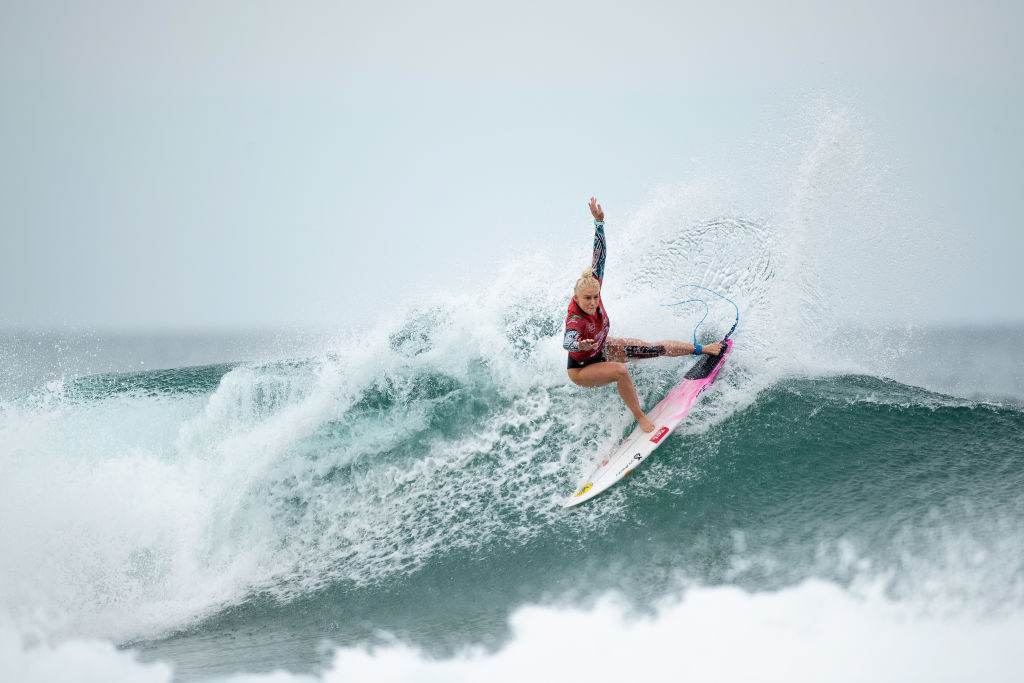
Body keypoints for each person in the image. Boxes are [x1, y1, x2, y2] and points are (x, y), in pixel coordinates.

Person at [563, 197, 723, 433]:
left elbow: (600, 257)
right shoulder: (575, 319)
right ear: (576, 297)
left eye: (596, 297)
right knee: (620, 370)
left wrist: (599, 224)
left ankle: (701, 349)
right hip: (581, 368)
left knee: (652, 349)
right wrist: (579, 343)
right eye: (587, 299)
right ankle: (640, 417)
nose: (593, 302)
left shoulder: (593, 285)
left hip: (602, 349)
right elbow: (567, 340)